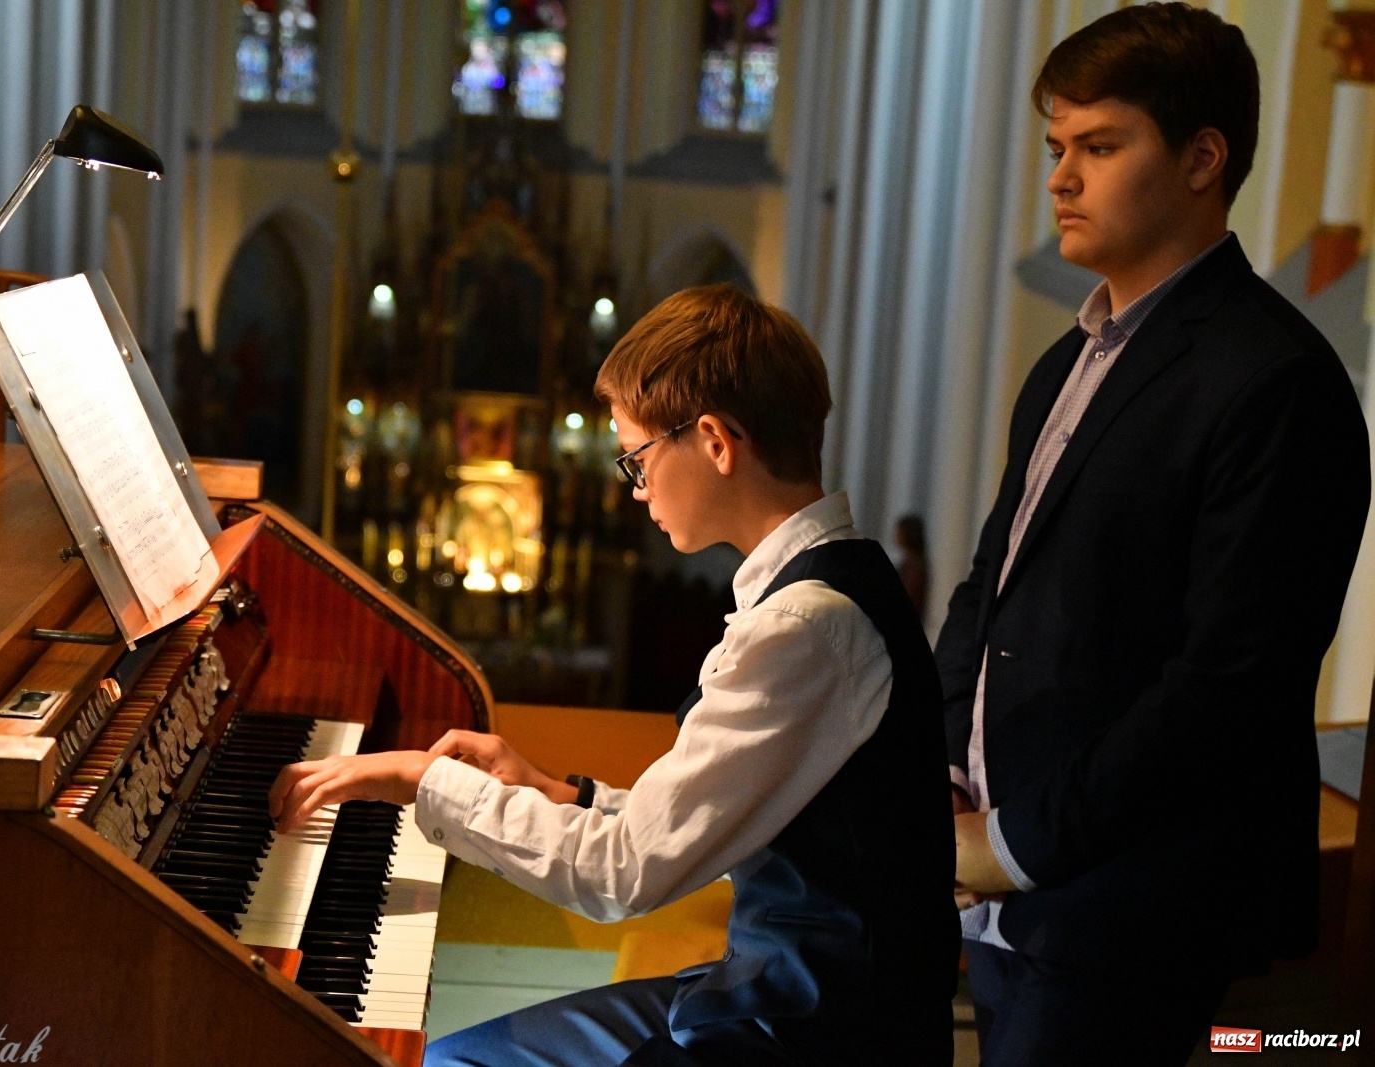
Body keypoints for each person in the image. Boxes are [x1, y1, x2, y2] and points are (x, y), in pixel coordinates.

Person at [270, 283, 959, 1065]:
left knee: (450, 1062)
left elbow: (623, 874)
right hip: (776, 989)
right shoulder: (820, 594)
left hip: (815, 1032)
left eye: (637, 456)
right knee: (452, 1052)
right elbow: (700, 815)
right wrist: (559, 792)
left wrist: (424, 781)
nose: (634, 488)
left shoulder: (806, 627)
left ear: (714, 441)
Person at [937, 5, 1371, 1064]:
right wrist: (945, 762)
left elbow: (1225, 685)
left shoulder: (1276, 382)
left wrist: (1011, 843)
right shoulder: (1066, 363)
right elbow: (988, 589)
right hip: (1002, 885)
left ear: (1200, 158)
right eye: (1055, 148)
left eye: (1098, 146)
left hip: (1125, 907)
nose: (1060, 178)